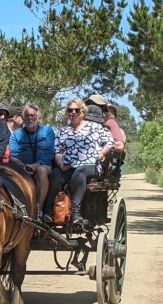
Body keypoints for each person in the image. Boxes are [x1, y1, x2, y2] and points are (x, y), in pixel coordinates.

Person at [45, 97, 114, 228]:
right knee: (55, 174)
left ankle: (76, 212)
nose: (73, 113)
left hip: (91, 165)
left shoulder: (95, 127)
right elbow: (58, 151)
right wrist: (60, 164)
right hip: (69, 165)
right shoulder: (63, 131)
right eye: (70, 110)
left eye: (77, 110)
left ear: (83, 112)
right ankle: (48, 212)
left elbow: (109, 142)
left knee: (79, 172)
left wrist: (103, 153)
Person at [9, 103, 55, 221]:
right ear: (23, 118)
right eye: (27, 115)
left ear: (38, 117)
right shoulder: (16, 135)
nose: (29, 118)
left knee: (42, 170)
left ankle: (38, 210)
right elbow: (13, 156)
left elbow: (50, 152)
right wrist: (24, 166)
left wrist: (36, 165)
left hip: (43, 166)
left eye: (32, 115)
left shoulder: (47, 131)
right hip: (23, 168)